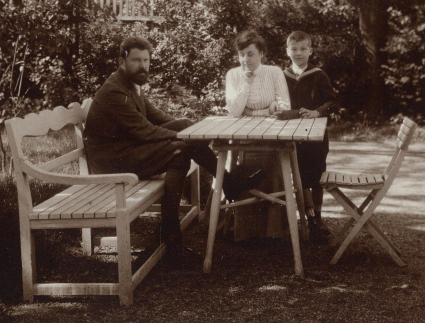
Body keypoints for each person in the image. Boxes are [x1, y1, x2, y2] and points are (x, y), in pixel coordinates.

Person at [83, 36, 265, 260]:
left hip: (127, 150)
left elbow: (158, 118)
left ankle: (174, 233)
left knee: (184, 131)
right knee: (180, 150)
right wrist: (189, 137)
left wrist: (191, 129)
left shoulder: (133, 85)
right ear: (122, 62)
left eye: (146, 60)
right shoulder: (115, 91)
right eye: (136, 60)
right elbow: (146, 131)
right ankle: (174, 234)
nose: (143, 66)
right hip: (111, 161)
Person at [225, 30, 291, 243]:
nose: (245, 59)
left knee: (272, 158)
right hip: (243, 136)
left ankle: (272, 228)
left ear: (262, 54)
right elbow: (234, 111)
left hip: (271, 134)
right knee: (236, 159)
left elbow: (284, 106)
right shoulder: (233, 75)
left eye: (251, 54)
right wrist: (245, 82)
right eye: (242, 54)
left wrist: (252, 112)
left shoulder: (274, 72)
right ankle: (238, 227)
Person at [275, 31, 337, 244]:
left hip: (315, 134)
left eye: (303, 49)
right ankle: (306, 217)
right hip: (292, 135)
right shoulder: (282, 75)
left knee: (316, 175)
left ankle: (317, 219)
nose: (298, 53)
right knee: (299, 176)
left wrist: (317, 112)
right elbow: (280, 103)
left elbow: (332, 101)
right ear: (287, 51)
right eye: (294, 49)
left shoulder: (319, 75)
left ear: (310, 50)